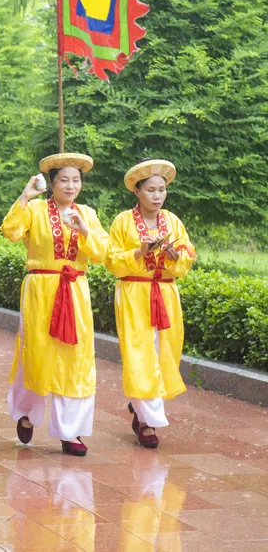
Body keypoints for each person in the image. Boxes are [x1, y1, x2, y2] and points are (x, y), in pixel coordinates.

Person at [1, 153, 109, 457]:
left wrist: (84, 229)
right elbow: (10, 231)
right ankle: (26, 412)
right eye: (64, 180)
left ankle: (70, 431)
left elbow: (102, 253)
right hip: (40, 291)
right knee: (36, 353)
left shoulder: (88, 213)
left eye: (76, 180)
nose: (70, 186)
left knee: (76, 359)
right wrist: (25, 196)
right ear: (51, 182)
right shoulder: (35, 209)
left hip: (75, 292)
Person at [105, 160, 196, 449]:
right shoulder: (123, 222)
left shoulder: (173, 221)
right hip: (134, 293)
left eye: (162, 190)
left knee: (163, 352)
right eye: (151, 190)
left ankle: (140, 406)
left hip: (166, 294)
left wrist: (174, 256)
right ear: (137, 191)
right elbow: (112, 260)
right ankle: (147, 422)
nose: (157, 196)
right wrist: (139, 251)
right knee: (139, 354)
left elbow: (188, 255)